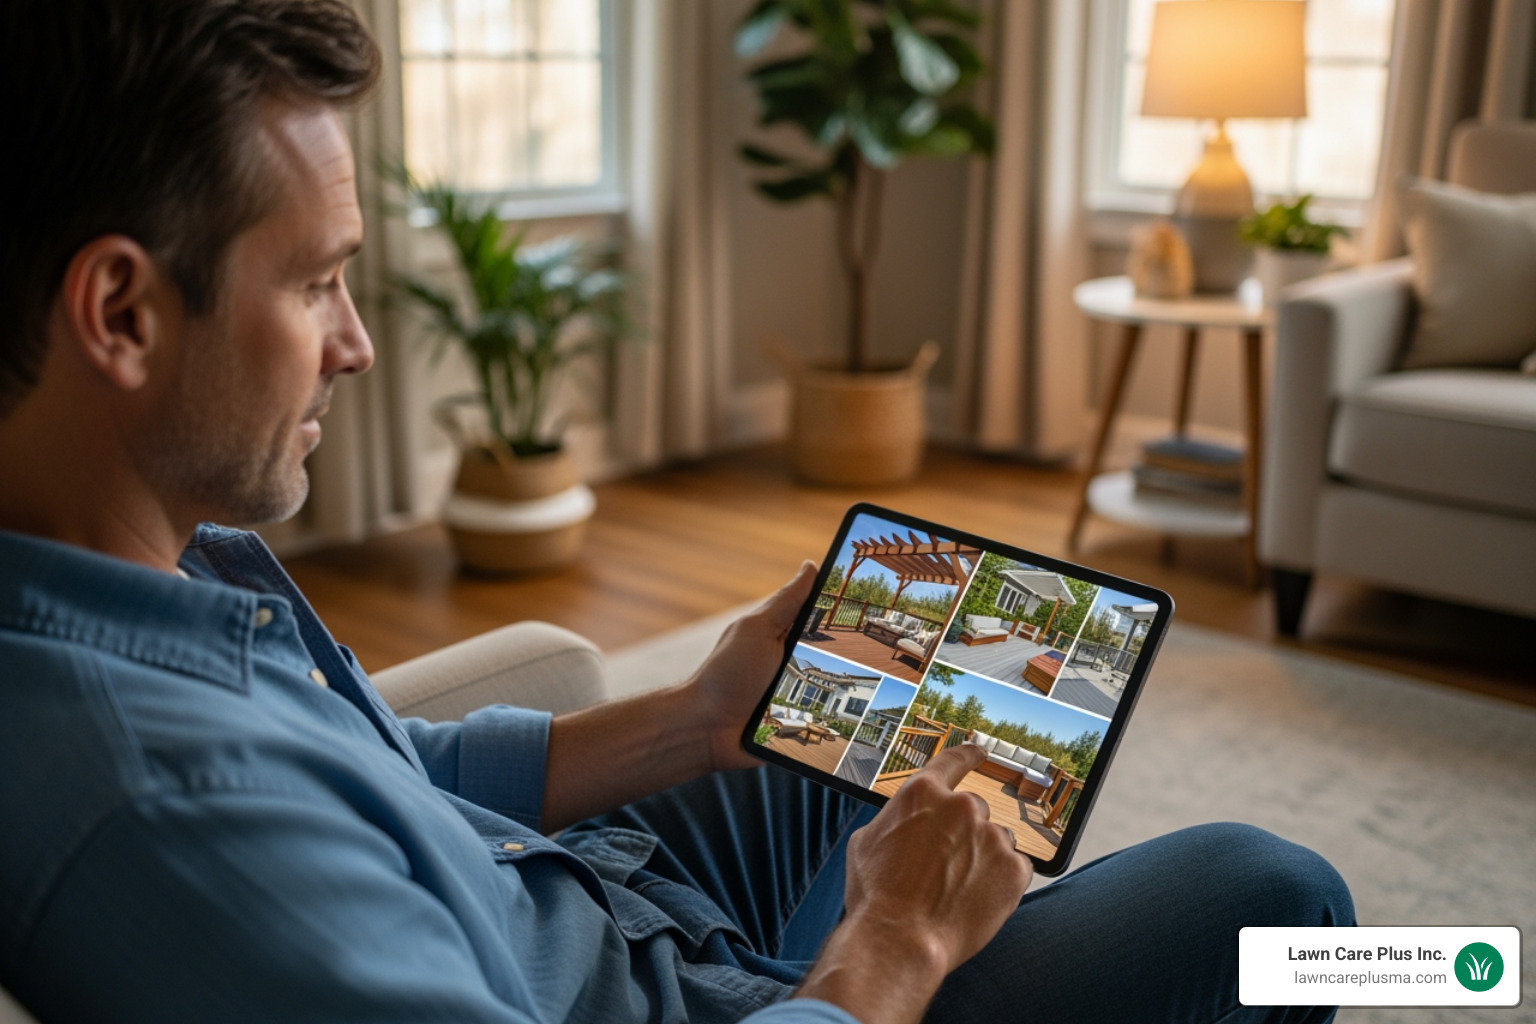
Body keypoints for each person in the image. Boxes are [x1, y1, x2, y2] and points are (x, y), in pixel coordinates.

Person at [0, 2, 1353, 1022]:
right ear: (122, 312)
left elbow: (394, 771)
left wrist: (693, 718)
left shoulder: (166, 564)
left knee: (836, 708)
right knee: (1270, 899)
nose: (355, 344)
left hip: (597, 899)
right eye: (315, 285)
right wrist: (890, 948)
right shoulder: (174, 807)